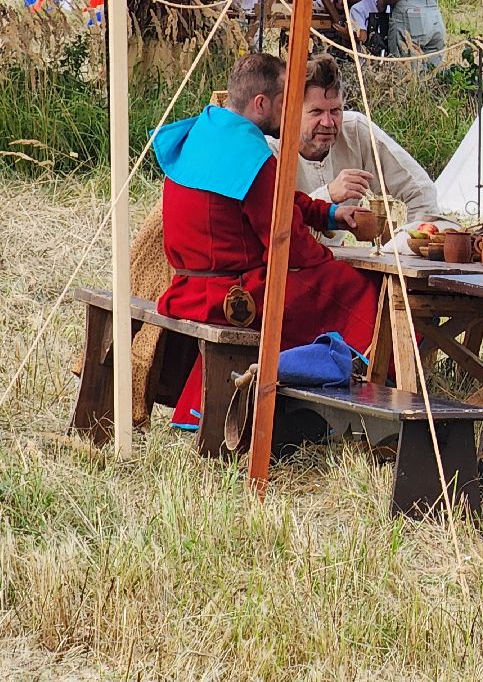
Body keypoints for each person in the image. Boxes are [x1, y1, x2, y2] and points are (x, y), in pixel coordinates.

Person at [153, 53, 379, 430]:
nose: (289, 111)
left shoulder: (207, 132)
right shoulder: (252, 156)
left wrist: (326, 214)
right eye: (284, 102)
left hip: (188, 288)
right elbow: (286, 241)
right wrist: (330, 257)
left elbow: (276, 200)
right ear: (261, 104)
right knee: (355, 287)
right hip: (232, 296)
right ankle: (347, 396)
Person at [269, 55, 441, 242]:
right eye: (316, 112)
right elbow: (271, 224)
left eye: (335, 111)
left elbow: (421, 190)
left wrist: (408, 245)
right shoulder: (271, 147)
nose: (328, 122)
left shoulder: (356, 131)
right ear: (292, 111)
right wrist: (328, 194)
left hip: (340, 264)